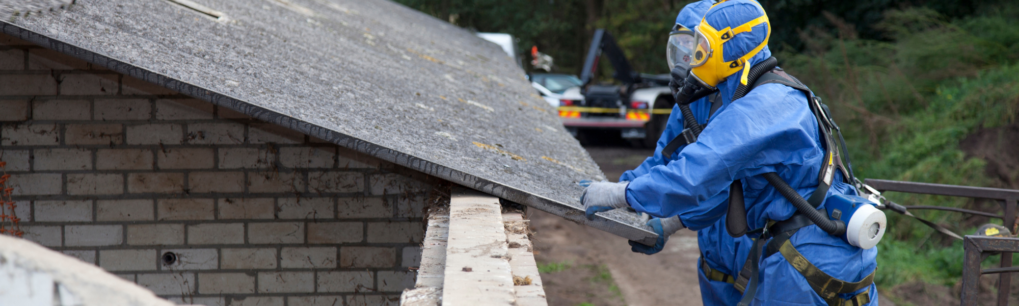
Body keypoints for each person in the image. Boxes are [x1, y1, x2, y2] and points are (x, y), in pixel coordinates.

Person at [580, 0, 878, 304]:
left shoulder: (761, 106)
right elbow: (674, 161)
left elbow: (698, 173)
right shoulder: (759, 92)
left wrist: (621, 195)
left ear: (730, 51)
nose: (693, 58)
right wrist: (626, 188)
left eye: (701, 47)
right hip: (812, 251)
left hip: (805, 261)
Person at [618, 0, 754, 304]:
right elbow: (663, 160)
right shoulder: (691, 100)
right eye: (680, 47)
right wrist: (620, 189)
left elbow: (731, 186)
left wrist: (672, 221)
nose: (686, 59)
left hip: (755, 252)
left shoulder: (748, 103)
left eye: (695, 48)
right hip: (714, 259)